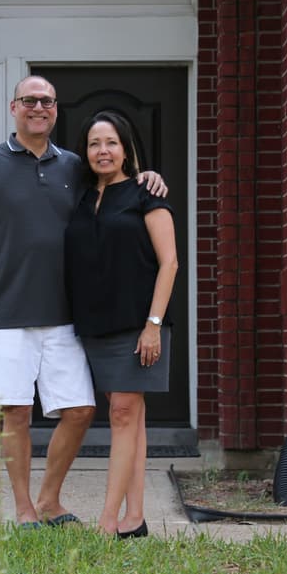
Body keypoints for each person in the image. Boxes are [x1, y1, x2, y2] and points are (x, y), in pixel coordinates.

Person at [0, 76, 166, 528]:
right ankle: (24, 508)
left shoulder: (75, 167)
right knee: (16, 412)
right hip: (7, 313)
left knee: (80, 411)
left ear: (56, 110)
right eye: (29, 100)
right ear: (14, 107)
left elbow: (115, 183)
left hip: (66, 316)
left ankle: (49, 500)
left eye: (46, 101)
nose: (38, 107)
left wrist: (148, 176)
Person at [64, 110, 178, 539]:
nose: (103, 151)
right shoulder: (79, 196)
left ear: (126, 149)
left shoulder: (147, 194)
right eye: (95, 143)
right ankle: (135, 518)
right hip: (95, 325)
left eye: (111, 142)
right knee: (131, 418)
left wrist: (153, 324)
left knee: (123, 413)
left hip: (138, 324)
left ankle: (108, 522)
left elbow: (170, 263)